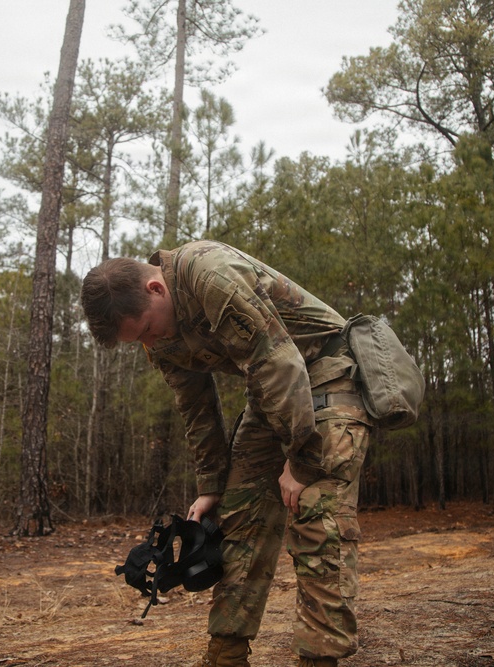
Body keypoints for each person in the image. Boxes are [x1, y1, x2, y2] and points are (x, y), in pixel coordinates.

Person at [80, 240, 372, 667]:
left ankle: (319, 658)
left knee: (316, 513)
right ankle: (226, 655)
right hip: (272, 391)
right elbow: (195, 406)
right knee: (239, 519)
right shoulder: (155, 332)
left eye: (145, 329)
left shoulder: (209, 273)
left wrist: (302, 462)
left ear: (156, 289)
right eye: (137, 339)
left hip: (329, 373)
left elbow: (280, 363)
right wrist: (212, 485)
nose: (149, 341)